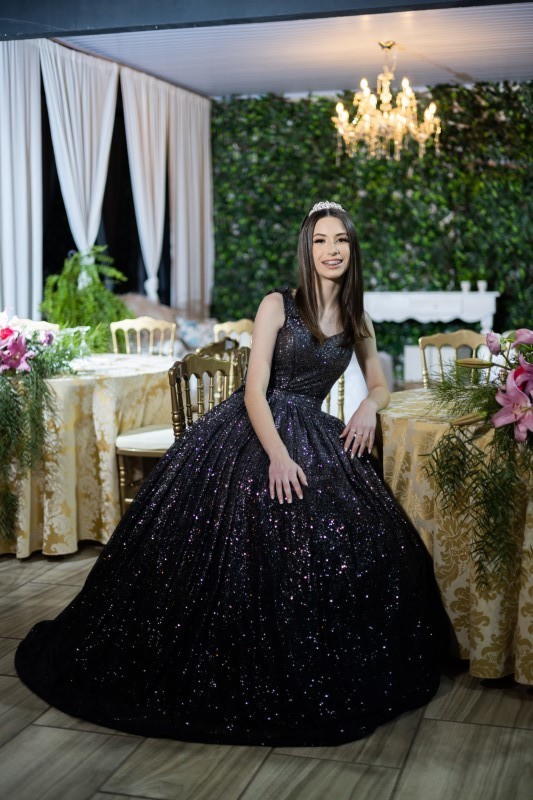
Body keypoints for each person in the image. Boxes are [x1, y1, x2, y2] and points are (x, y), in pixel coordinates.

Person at [16, 201, 447, 747]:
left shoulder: (358, 318)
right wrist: (278, 456)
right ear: (307, 249)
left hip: (315, 428)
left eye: (340, 239)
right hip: (255, 428)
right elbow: (253, 390)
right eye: (320, 240)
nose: (331, 249)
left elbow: (380, 384)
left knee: (357, 540)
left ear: (351, 248)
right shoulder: (277, 304)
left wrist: (369, 405)